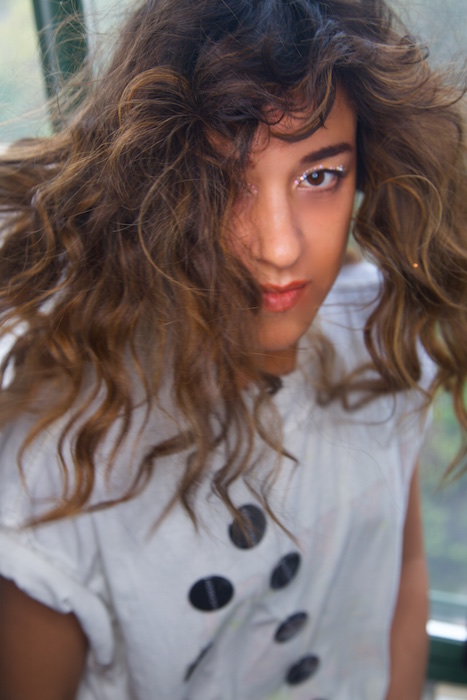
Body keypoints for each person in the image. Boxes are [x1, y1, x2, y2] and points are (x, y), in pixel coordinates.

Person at [0, 0, 465, 698]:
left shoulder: (376, 339)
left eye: (318, 176)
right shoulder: (67, 458)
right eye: (226, 182)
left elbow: (400, 579)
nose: (279, 247)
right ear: (158, 185)